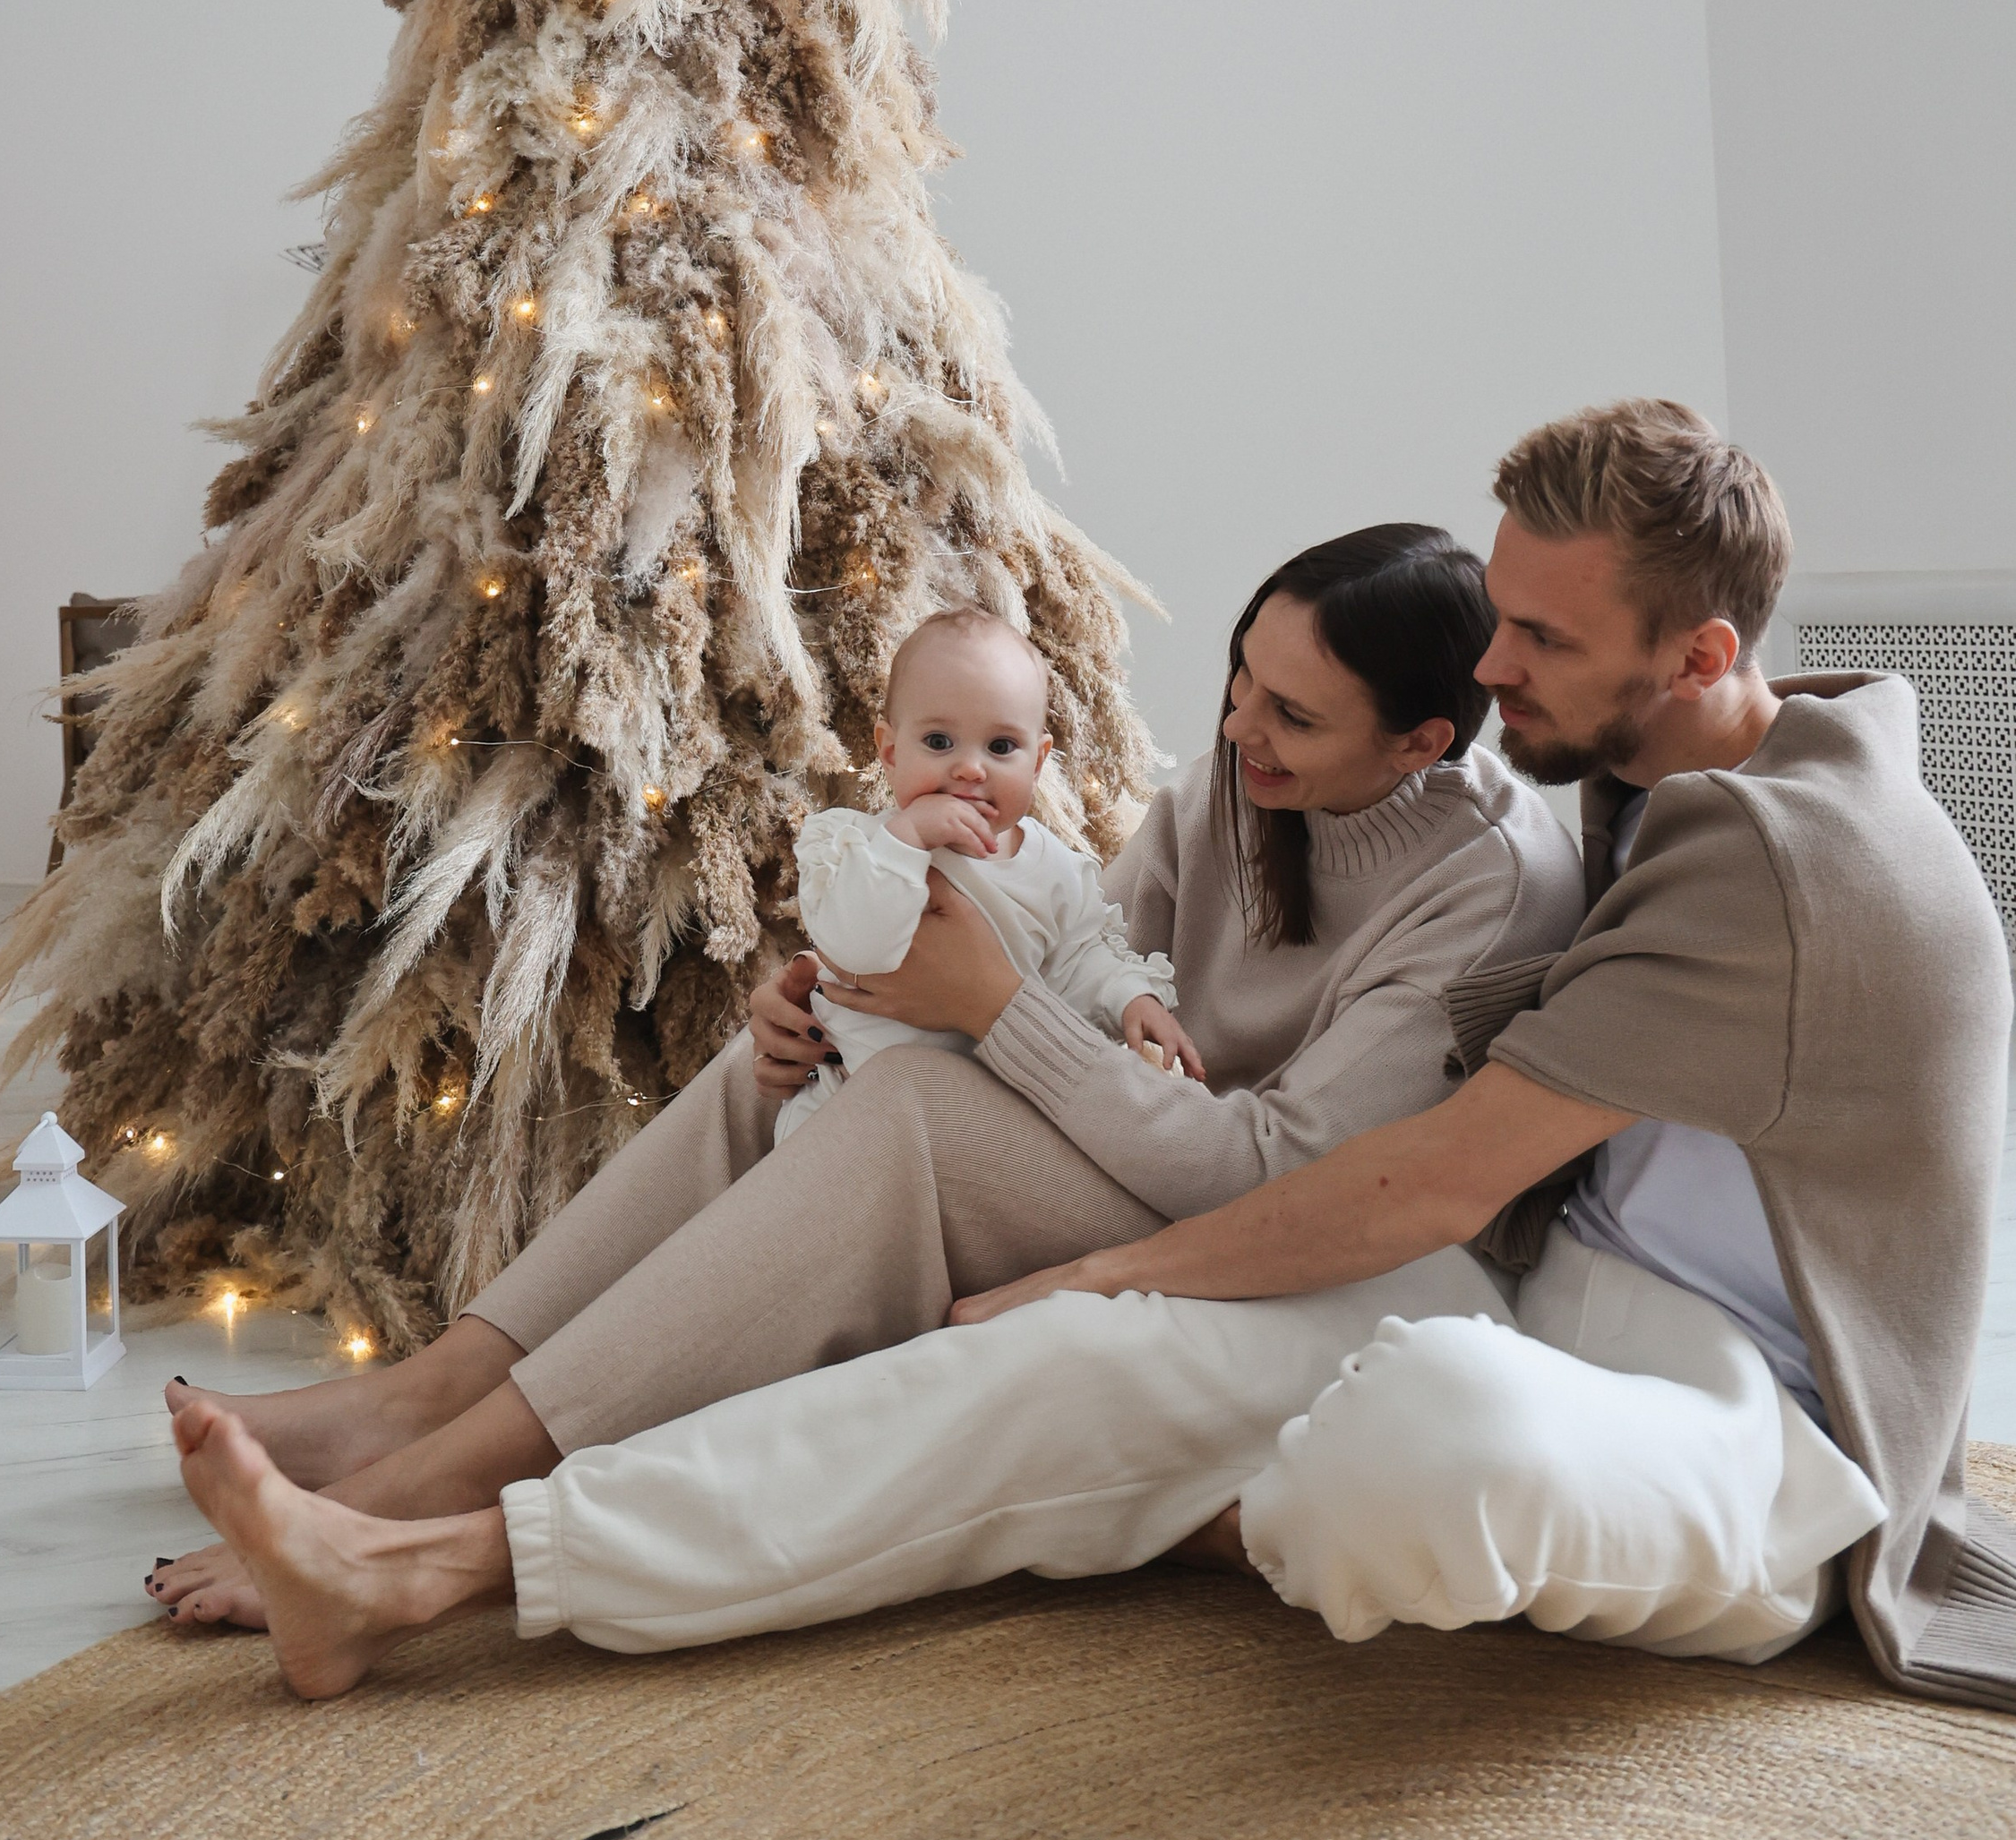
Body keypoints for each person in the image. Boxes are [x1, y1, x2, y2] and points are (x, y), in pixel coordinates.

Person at [167, 403, 2016, 1713]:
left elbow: (1409, 1172)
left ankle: (1220, 1510)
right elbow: (1105, 948)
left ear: (1696, 651)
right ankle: (422, 1539)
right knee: (1019, 1371)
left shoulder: (1752, 855)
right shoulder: (1634, 777)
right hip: (1515, 1277)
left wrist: (1105, 1261)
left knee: (1342, 1418)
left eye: (1540, 635)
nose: (1503, 660)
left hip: (1748, 1421)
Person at [147, 520, 1584, 1627]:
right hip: (1145, 1133)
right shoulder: (1242, 780)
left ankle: (424, 1494)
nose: (1234, 732)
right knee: (804, 1052)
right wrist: (852, 993)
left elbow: (1282, 1171)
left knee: (913, 1111)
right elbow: (1092, 955)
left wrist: (991, 1009)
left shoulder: (1487, 892)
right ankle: (432, 1391)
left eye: (1292, 717)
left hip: (1271, 1227)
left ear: (1422, 744)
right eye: (1238, 683)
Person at [777, 603, 1195, 1149]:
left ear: (1038, 761)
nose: (971, 769)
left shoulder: (1055, 866)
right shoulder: (857, 848)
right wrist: (908, 839)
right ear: (889, 749)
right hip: (847, 1099)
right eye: (939, 742)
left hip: (982, 1113)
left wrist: (1132, 999)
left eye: (1001, 747)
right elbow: (859, 949)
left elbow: (1078, 958)